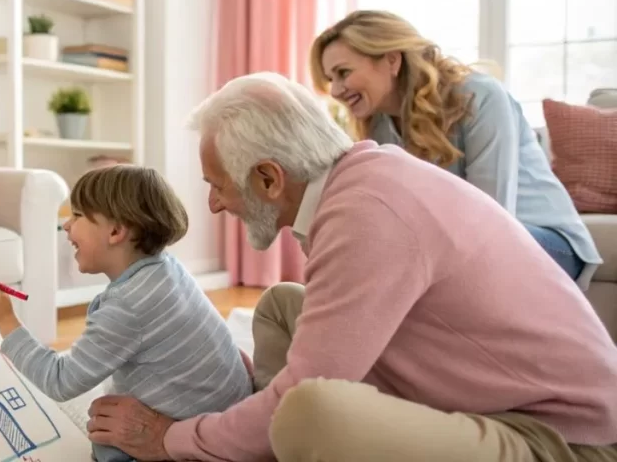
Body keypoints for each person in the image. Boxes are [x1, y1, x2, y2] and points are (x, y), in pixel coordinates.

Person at [84, 72, 617, 461]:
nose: (215, 205)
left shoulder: (367, 213)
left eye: (216, 187)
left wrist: (168, 439)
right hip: (481, 389)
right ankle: (251, 441)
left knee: (306, 411)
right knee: (278, 307)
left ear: (269, 178)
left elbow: (306, 390)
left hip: (560, 438)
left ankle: (250, 443)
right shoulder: (364, 177)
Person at [0, 164, 253, 462]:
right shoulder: (168, 269)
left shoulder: (128, 305)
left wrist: (6, 322)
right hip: (228, 414)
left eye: (78, 216)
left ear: (116, 231)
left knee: (105, 439)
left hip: (192, 440)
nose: (67, 226)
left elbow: (60, 381)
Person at [308, 9, 601, 288]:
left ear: (392, 61)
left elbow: (493, 218)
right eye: (330, 79)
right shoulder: (381, 126)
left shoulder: (481, 97)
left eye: (343, 72)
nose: (335, 90)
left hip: (543, 241)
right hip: (464, 245)